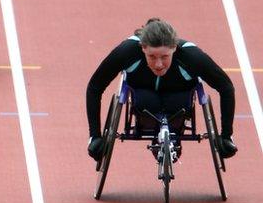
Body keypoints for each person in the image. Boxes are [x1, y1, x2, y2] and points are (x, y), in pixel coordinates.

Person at [86, 18, 238, 161]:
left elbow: (226, 87)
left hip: (179, 98)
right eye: (152, 56)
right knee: (147, 101)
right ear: (142, 48)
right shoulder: (127, 51)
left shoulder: (191, 56)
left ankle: (174, 135)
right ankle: (155, 132)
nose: (159, 64)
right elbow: (95, 86)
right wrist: (95, 136)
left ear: (174, 48)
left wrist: (226, 135)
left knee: (177, 103)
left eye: (165, 57)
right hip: (144, 98)